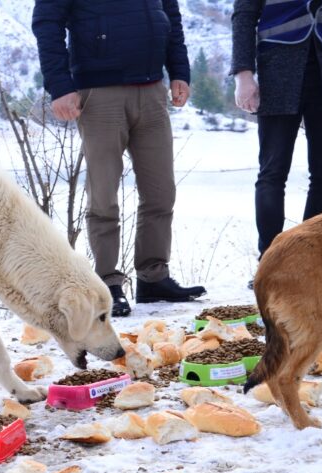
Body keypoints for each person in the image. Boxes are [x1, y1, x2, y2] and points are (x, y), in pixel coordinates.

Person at [32, 0, 207, 318]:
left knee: (161, 193)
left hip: (152, 89)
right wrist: (59, 86)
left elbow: (170, 15)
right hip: (100, 92)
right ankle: (107, 284)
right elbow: (47, 23)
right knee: (104, 195)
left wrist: (179, 71)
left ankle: (153, 278)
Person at [231, 0, 322, 269]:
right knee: (272, 172)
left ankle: (311, 263)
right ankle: (271, 263)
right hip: (278, 68)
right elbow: (244, 14)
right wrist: (243, 73)